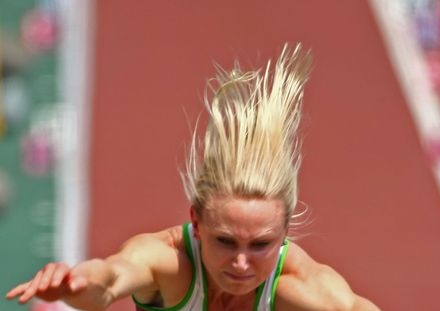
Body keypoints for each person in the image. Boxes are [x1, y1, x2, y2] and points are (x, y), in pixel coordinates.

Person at [6, 43, 381, 311]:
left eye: (260, 245)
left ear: (285, 235)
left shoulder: (301, 287)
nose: (240, 263)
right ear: (196, 223)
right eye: (225, 241)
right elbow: (109, 280)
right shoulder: (169, 263)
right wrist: (77, 285)